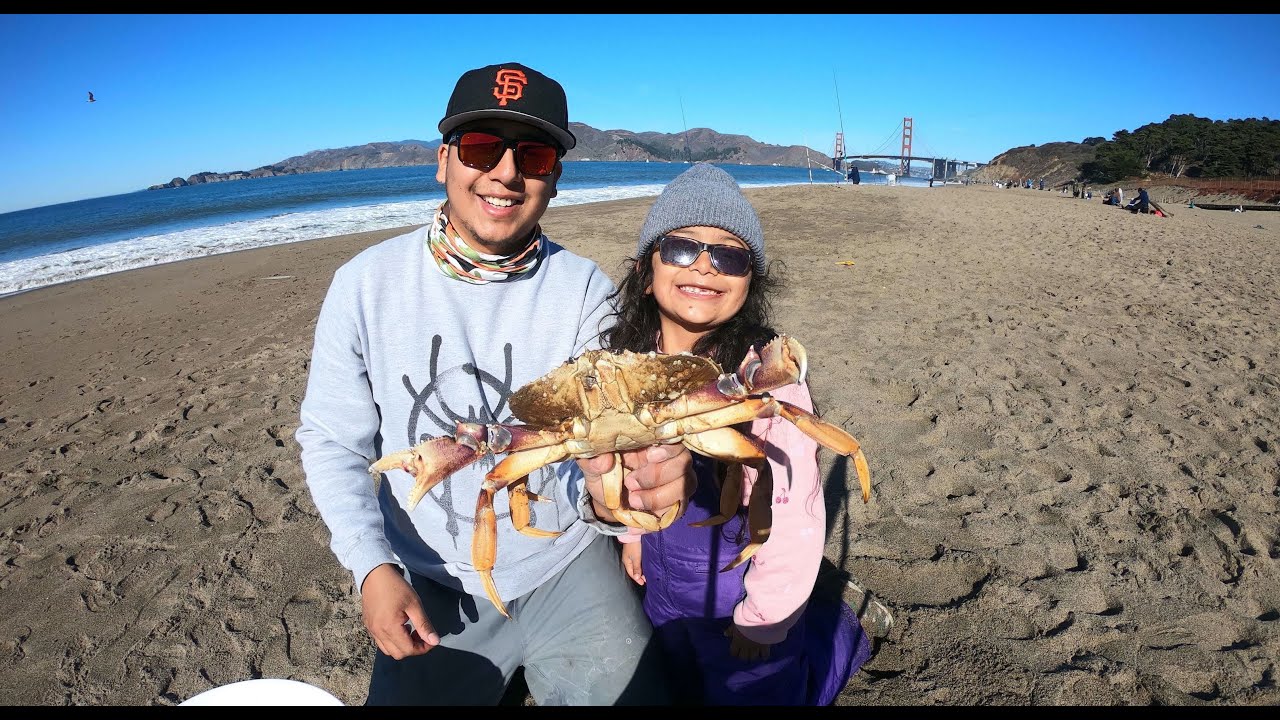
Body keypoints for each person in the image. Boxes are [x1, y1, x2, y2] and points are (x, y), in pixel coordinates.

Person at [295, 61, 695, 706]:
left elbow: (600, 446)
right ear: (443, 161)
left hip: (564, 560)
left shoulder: (586, 291)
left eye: (533, 156)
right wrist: (372, 567)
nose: (506, 173)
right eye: (482, 147)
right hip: (432, 577)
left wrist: (621, 501)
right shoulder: (365, 285)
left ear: (554, 178)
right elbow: (332, 441)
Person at [600, 163, 876, 705]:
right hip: (664, 583)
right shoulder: (624, 368)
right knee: (682, 680)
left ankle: (842, 630)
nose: (705, 265)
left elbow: (795, 509)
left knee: (763, 687)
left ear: (750, 283)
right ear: (645, 270)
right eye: (682, 248)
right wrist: (631, 539)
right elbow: (620, 469)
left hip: (743, 585)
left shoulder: (765, 384)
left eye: (729, 256)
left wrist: (766, 615)